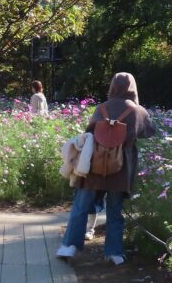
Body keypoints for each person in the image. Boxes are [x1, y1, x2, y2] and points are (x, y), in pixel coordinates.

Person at [57, 72, 158, 266]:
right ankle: (114, 252)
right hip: (120, 169)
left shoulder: (101, 108)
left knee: (81, 206)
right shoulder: (138, 112)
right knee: (115, 211)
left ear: (112, 87)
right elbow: (150, 130)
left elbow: (89, 131)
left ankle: (69, 246)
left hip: (94, 166)